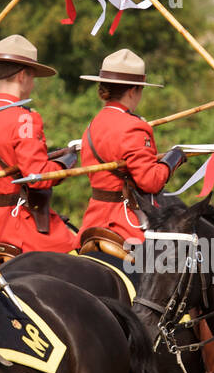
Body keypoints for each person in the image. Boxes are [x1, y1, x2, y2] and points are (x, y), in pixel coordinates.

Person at [0, 34, 76, 256]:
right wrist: (64, 165)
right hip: (20, 226)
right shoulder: (24, 118)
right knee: (82, 259)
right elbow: (37, 177)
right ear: (22, 76)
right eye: (33, 76)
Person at [77, 48, 184, 257]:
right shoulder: (134, 126)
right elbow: (151, 182)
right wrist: (173, 159)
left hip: (93, 218)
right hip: (125, 221)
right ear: (134, 90)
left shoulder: (94, 123)